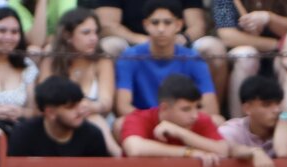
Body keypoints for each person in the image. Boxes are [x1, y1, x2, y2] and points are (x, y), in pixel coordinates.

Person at [120, 71, 275, 167]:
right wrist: (190, 153)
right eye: (186, 109)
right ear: (165, 108)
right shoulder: (139, 117)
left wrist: (181, 133)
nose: (194, 115)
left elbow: (222, 150)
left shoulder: (200, 119)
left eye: (197, 107)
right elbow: (135, 148)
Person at [93, 0, 226, 104]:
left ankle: (207, 110)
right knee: (109, 46)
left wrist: (183, 38)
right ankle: (111, 113)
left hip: (178, 44)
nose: (161, 27)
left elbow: (199, 26)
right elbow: (107, 25)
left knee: (214, 47)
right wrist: (146, 40)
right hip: (131, 44)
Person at [39, 8, 122, 156]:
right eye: (86, 33)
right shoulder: (51, 60)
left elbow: (106, 102)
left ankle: (118, 158)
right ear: (68, 36)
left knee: (94, 119)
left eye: (95, 32)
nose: (93, 38)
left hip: (97, 119)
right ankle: (118, 158)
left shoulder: (102, 61)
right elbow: (43, 99)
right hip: (60, 121)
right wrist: (71, 110)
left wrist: (88, 107)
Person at [213, 0, 287, 118]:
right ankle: (238, 121)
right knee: (246, 55)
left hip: (279, 58)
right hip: (241, 61)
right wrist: (276, 44)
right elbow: (227, 35)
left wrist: (269, 18)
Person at [7, 74, 111, 155]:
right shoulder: (24, 135)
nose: (80, 111)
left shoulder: (93, 136)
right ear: (50, 112)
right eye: (70, 107)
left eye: (79, 104)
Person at [219, 74, 287, 158]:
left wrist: (285, 119)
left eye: (278, 103)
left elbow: (283, 153)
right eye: (267, 105)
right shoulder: (233, 130)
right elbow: (220, 146)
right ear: (247, 108)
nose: (276, 110)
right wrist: (254, 153)